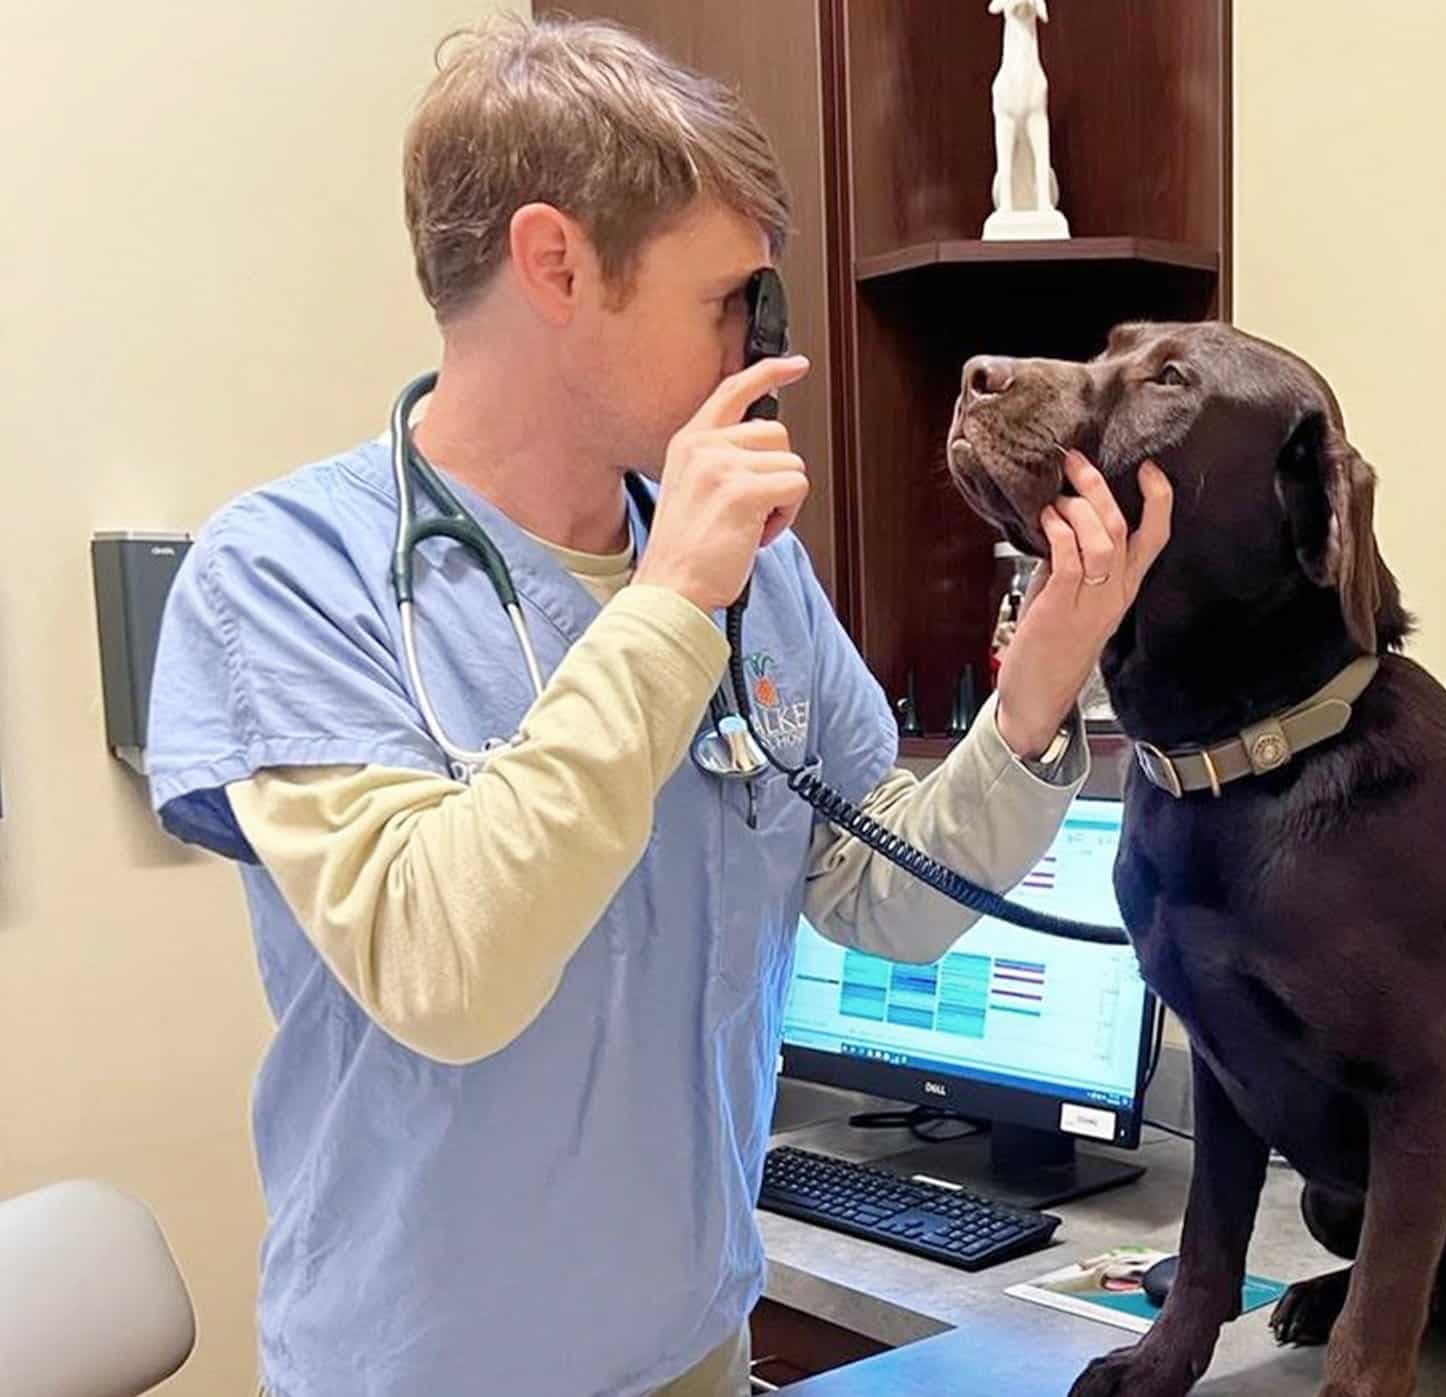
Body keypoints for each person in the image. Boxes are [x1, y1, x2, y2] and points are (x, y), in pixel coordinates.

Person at [142, 15, 1171, 1397]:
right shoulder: (285, 576)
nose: (766, 349)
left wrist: (1041, 687)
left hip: (696, 1349)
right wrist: (670, 603)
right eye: (728, 299)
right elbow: (448, 971)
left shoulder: (757, 578)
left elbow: (891, 898)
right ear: (557, 264)